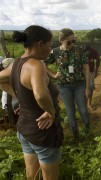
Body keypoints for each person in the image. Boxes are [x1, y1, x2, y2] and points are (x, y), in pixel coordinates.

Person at [0, 25, 63, 179]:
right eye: (49, 45)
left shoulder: (16, 63)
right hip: (43, 131)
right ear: (39, 44)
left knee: (31, 172)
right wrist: (51, 112)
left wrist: (22, 99)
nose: (50, 50)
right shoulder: (36, 65)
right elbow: (41, 95)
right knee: (50, 176)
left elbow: (1, 79)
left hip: (25, 128)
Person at [45, 28, 90, 140]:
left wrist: (88, 87)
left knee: (83, 110)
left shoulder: (79, 50)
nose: (72, 44)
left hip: (79, 85)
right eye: (69, 42)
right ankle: (76, 135)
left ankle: (87, 133)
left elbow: (86, 68)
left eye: (73, 41)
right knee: (71, 112)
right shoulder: (55, 52)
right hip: (64, 87)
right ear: (61, 41)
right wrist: (53, 74)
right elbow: (42, 63)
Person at [84, 45, 101, 111]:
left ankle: (89, 104)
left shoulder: (94, 51)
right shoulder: (79, 51)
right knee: (81, 88)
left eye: (89, 53)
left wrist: (96, 71)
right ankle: (83, 105)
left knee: (90, 87)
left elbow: (98, 60)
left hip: (90, 71)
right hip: (80, 72)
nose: (88, 54)